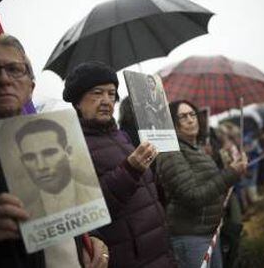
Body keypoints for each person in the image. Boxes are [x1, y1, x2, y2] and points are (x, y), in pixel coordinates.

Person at [0, 34, 108, 268]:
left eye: (14, 69)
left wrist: (93, 235)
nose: (3, 79)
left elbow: (72, 203)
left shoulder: (52, 134)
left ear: (31, 87)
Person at [63, 61, 177, 268]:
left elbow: (145, 192)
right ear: (77, 102)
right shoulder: (70, 146)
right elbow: (92, 211)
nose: (106, 100)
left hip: (160, 251)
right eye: (97, 93)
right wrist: (131, 169)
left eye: (111, 93)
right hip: (130, 258)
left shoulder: (122, 136)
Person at [156, 100, 248, 268]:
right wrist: (231, 173)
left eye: (193, 114)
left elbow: (213, 187)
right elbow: (193, 196)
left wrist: (234, 170)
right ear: (171, 122)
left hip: (208, 232)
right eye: (183, 117)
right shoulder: (170, 152)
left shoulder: (195, 148)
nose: (191, 120)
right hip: (191, 237)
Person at [15, 118, 103, 218]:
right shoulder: (24, 215)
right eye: (30, 157)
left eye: (49, 153)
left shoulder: (97, 196)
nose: (41, 166)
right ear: (23, 162)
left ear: (68, 153)